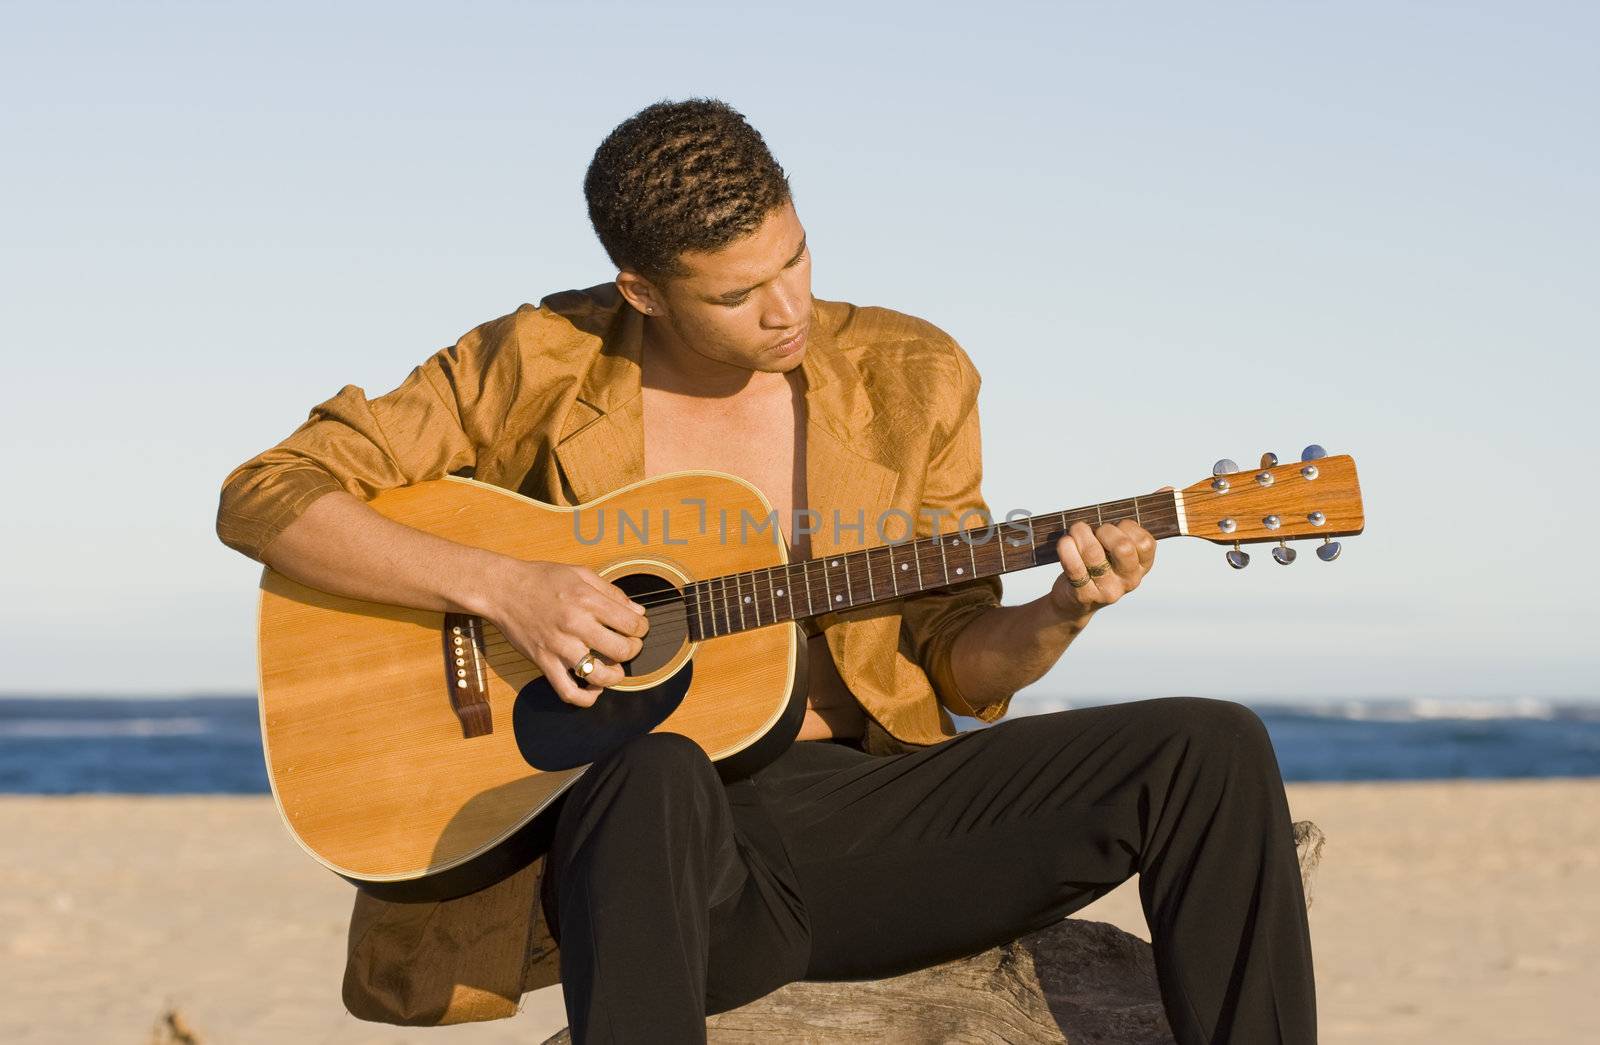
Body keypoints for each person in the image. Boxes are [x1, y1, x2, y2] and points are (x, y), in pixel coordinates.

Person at [216, 98, 1315, 1044]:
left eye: (794, 259)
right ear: (643, 291)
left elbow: (958, 657)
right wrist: (509, 588)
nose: (786, 308)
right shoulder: (535, 362)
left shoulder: (909, 372)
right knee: (655, 769)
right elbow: (265, 494)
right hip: (665, 871)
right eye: (739, 295)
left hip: (869, 822)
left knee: (1208, 746)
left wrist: (1062, 609)